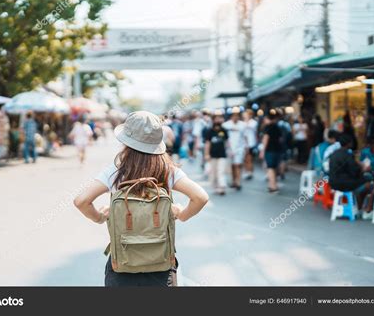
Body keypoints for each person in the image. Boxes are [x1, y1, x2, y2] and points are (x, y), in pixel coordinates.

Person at [74, 111, 209, 286]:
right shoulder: (167, 170)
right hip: (160, 265)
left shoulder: (115, 171)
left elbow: (81, 201)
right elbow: (201, 197)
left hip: (123, 264)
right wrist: (181, 214)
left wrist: (101, 217)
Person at [329, 134, 374, 218]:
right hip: (344, 182)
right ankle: (367, 210)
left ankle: (358, 208)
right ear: (349, 144)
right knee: (371, 184)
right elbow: (355, 172)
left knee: (363, 181)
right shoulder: (347, 155)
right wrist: (364, 169)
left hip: (333, 182)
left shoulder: (334, 154)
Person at [205, 113, 229, 195]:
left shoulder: (224, 130)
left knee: (221, 171)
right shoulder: (209, 131)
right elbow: (207, 143)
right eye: (217, 118)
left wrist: (229, 151)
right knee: (214, 172)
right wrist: (207, 154)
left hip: (222, 154)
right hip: (212, 155)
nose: (218, 120)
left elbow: (227, 142)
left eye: (220, 118)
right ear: (213, 120)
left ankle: (222, 187)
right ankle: (216, 187)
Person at [259, 112, 282, 193]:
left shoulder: (267, 127)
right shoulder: (277, 127)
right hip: (277, 150)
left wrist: (262, 151)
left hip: (270, 150)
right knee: (274, 168)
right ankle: (274, 184)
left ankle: (272, 186)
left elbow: (266, 139)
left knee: (270, 168)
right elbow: (280, 139)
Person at [223, 111, 246, 190]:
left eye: (237, 116)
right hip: (229, 149)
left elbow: (245, 137)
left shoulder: (243, 125)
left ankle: (238, 181)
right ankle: (233, 181)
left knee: (238, 165)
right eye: (234, 116)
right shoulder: (226, 125)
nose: (235, 117)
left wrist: (246, 147)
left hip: (239, 148)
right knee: (232, 166)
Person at [243, 109, 258, 180]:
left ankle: (250, 172)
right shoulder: (243, 122)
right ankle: (247, 171)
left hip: (251, 143)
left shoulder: (253, 122)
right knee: (245, 158)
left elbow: (247, 126)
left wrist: (246, 121)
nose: (244, 115)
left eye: (246, 114)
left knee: (249, 158)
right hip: (244, 143)